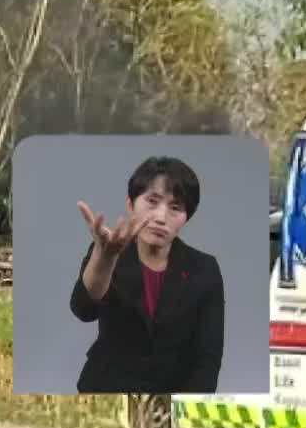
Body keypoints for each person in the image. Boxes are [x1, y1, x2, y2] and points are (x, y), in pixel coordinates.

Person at [69, 155, 224, 393]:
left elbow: (207, 359)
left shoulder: (204, 269)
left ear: (186, 217)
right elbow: (83, 308)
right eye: (152, 201)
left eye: (175, 208)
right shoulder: (106, 254)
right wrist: (106, 256)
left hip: (169, 398)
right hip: (106, 390)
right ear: (131, 205)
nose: (161, 217)